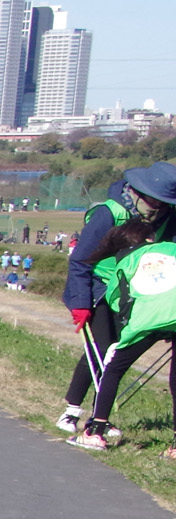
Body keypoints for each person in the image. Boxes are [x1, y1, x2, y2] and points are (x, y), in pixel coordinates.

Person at [55, 163, 176, 442]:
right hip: (100, 287)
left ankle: (98, 417)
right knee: (100, 348)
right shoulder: (109, 213)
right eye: (153, 200)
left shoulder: (168, 215)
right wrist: (81, 302)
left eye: (164, 202)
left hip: (133, 292)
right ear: (137, 192)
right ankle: (72, 412)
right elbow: (81, 260)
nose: (157, 207)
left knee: (112, 355)